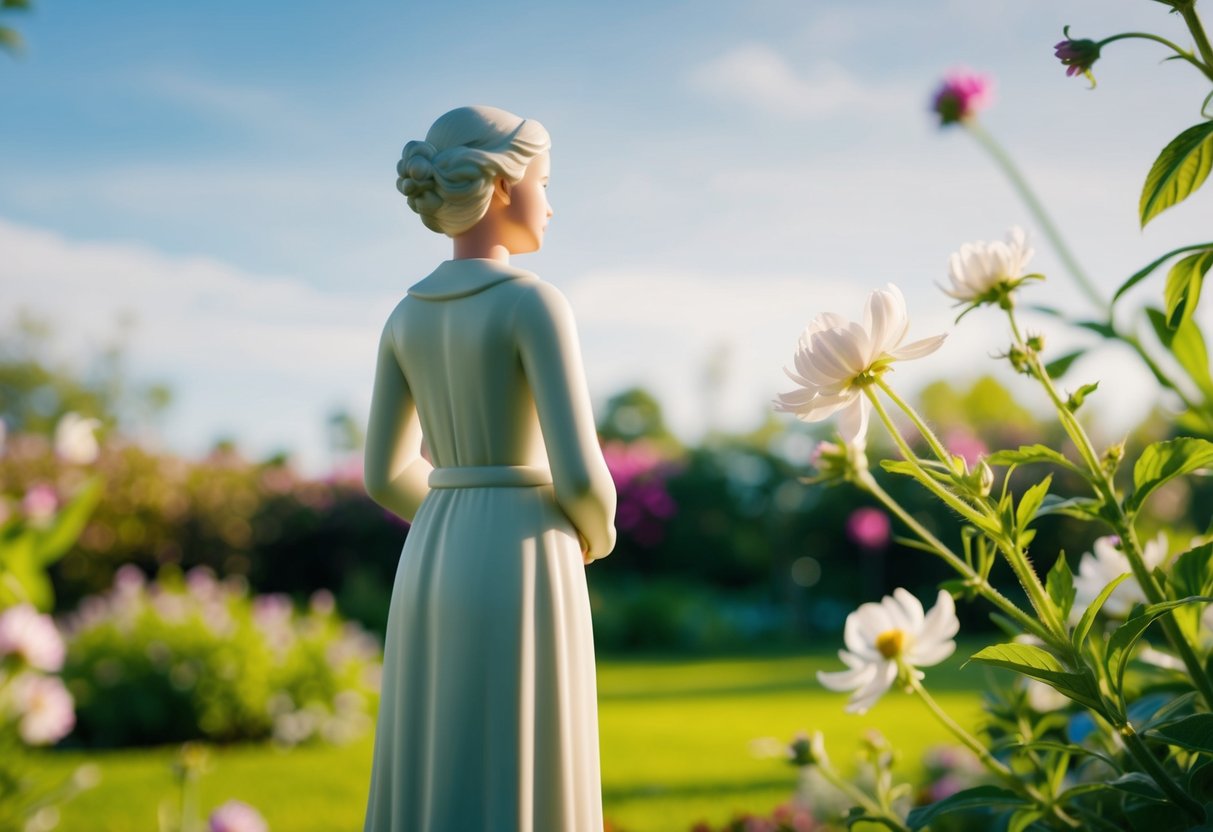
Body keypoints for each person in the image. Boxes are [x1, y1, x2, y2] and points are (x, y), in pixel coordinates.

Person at [361, 105, 617, 832]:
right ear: (502, 187)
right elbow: (580, 473)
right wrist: (595, 534)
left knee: (437, 747)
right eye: (544, 180)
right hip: (528, 551)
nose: (550, 202)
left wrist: (453, 512)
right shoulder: (534, 303)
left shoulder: (405, 315)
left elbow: (383, 474)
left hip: (433, 548)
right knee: (524, 755)